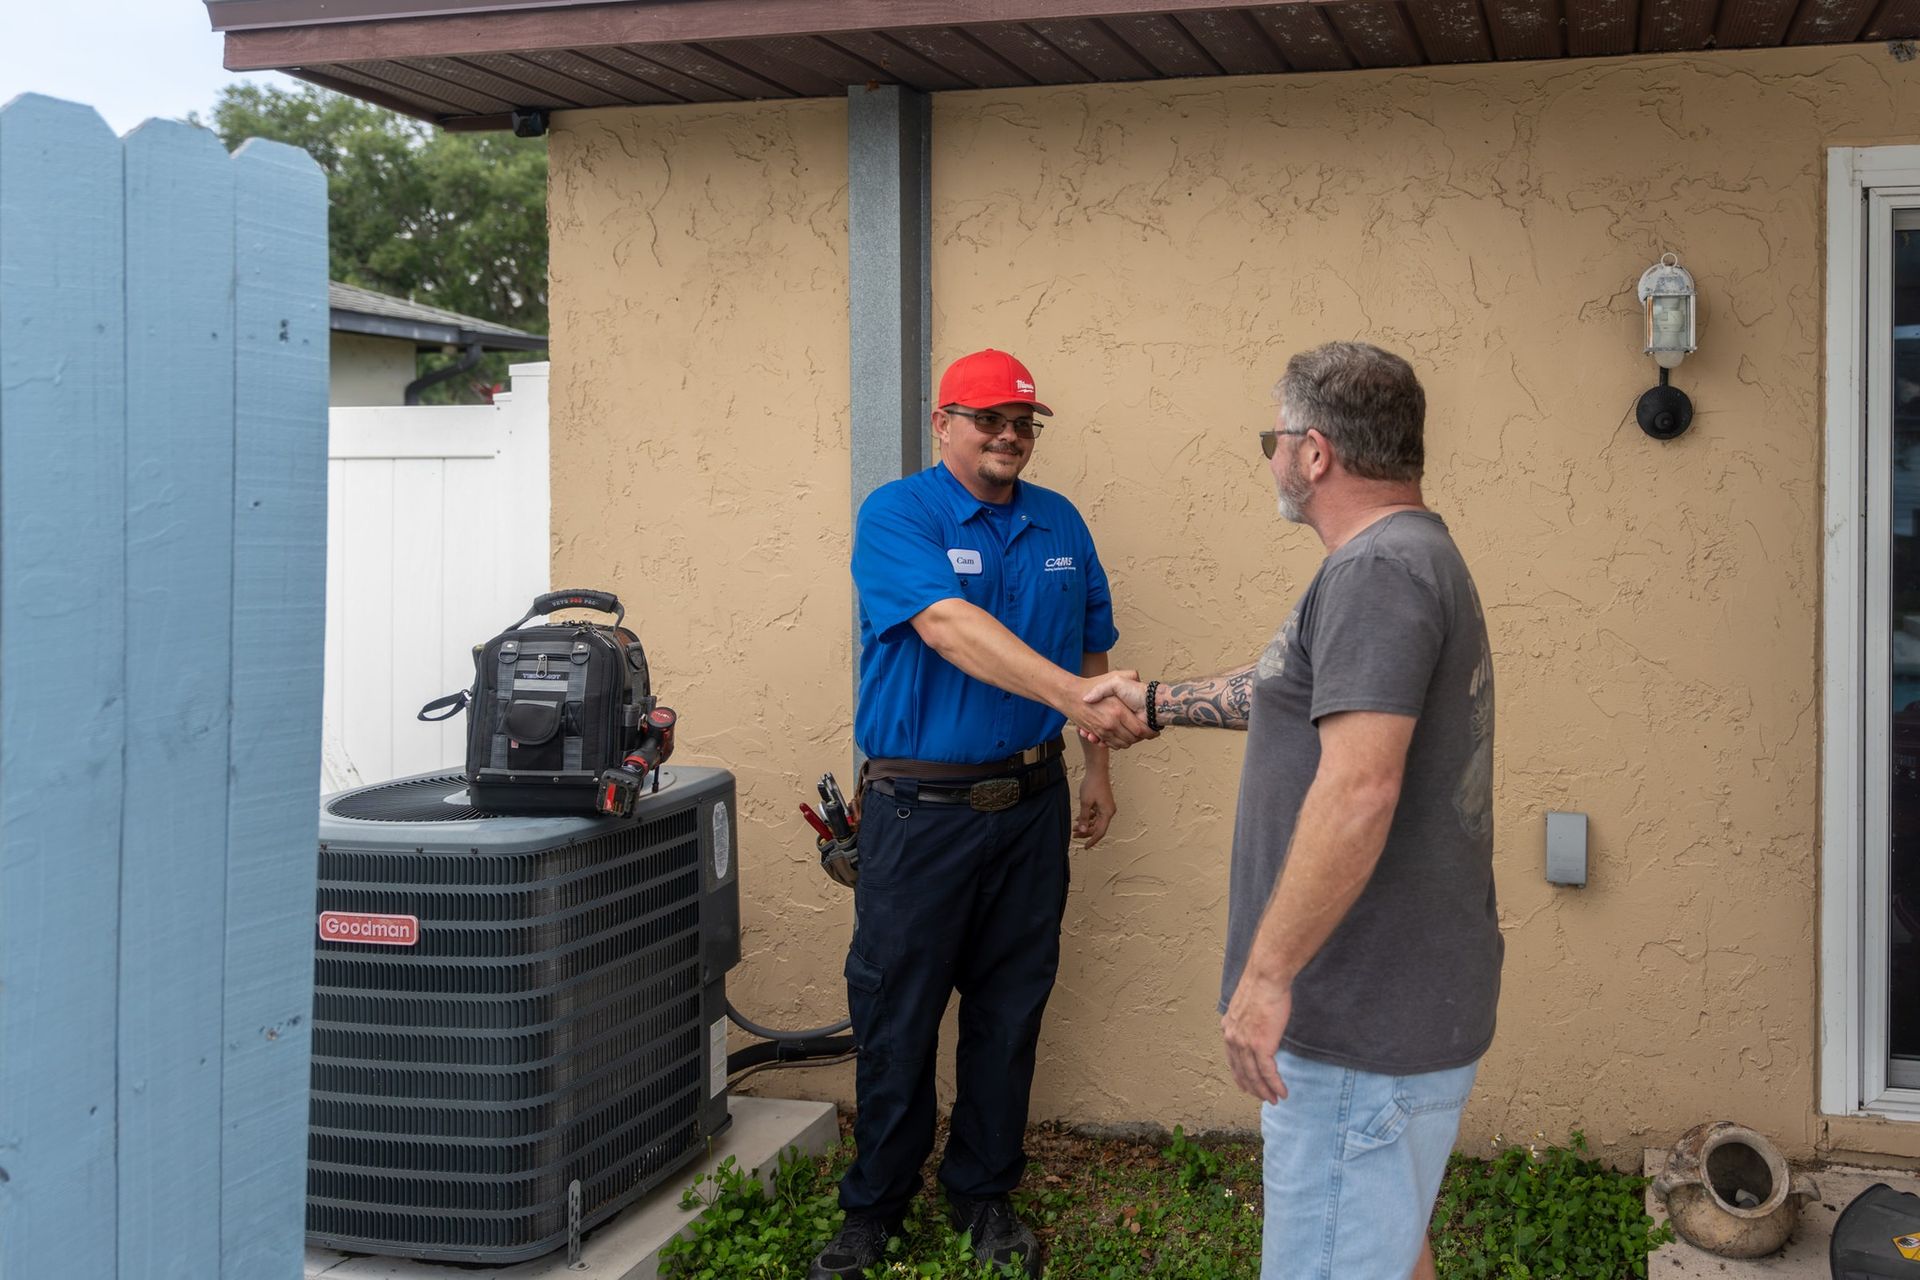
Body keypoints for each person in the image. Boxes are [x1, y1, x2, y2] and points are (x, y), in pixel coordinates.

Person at [1085, 342, 1500, 1280]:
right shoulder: (1402, 558)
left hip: (1357, 1016)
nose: (1270, 458)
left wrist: (1269, 977)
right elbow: (1285, 690)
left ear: (1314, 453)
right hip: (1392, 1006)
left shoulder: (1377, 574)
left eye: (1271, 439)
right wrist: (1149, 705)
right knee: (1392, 1248)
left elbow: (1360, 788)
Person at [809, 349, 1151, 1280]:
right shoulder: (899, 515)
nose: (1009, 436)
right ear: (944, 422)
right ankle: (874, 1206)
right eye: (990, 418)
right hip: (920, 814)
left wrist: (1096, 769)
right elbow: (948, 627)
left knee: (1009, 1010)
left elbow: (1090, 647)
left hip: (1032, 806)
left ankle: (983, 1194)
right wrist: (1081, 702)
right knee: (897, 1013)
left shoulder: (1060, 523)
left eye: (1024, 423)